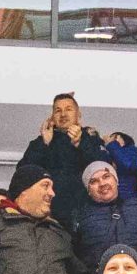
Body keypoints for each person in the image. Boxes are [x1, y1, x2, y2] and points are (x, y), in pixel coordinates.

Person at [18, 91, 102, 227]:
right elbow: (22, 173)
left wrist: (81, 144)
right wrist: (44, 143)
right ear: (52, 117)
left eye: (68, 109)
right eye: (58, 111)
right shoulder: (41, 141)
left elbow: (103, 167)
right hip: (49, 216)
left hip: (85, 215)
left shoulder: (90, 138)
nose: (63, 114)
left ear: (78, 115)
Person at [72, 160, 137, 274]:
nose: (102, 183)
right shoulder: (80, 217)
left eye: (106, 176)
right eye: (94, 181)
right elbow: (76, 262)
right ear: (88, 190)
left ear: (116, 180)